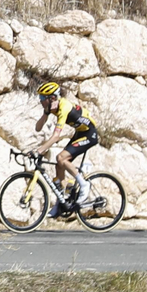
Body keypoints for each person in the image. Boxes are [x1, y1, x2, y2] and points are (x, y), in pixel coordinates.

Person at [33, 81, 100, 212]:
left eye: (42, 98)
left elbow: (56, 136)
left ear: (52, 98)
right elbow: (38, 128)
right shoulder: (52, 107)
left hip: (89, 134)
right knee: (59, 166)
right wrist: (45, 113)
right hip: (80, 132)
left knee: (61, 158)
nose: (40, 100)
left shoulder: (64, 107)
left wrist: (40, 150)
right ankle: (62, 202)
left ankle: (84, 184)